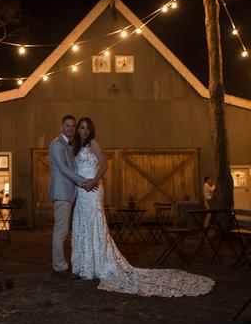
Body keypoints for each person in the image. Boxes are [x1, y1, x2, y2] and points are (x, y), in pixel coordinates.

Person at [70, 117, 214, 297]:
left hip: (92, 188)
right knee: (82, 223)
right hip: (81, 190)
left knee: (93, 223)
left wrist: (94, 181)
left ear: (91, 130)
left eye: (87, 128)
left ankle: (97, 264)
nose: (84, 131)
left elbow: (105, 164)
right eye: (81, 128)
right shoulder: (76, 147)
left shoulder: (93, 143)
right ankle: (84, 265)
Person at [48, 115, 96, 279]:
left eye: (72, 126)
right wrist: (84, 182)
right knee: (60, 231)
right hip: (62, 193)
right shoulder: (57, 145)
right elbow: (63, 168)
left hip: (70, 193)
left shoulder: (68, 145)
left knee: (63, 230)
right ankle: (59, 267)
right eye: (67, 125)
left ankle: (60, 264)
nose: (70, 128)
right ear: (62, 126)